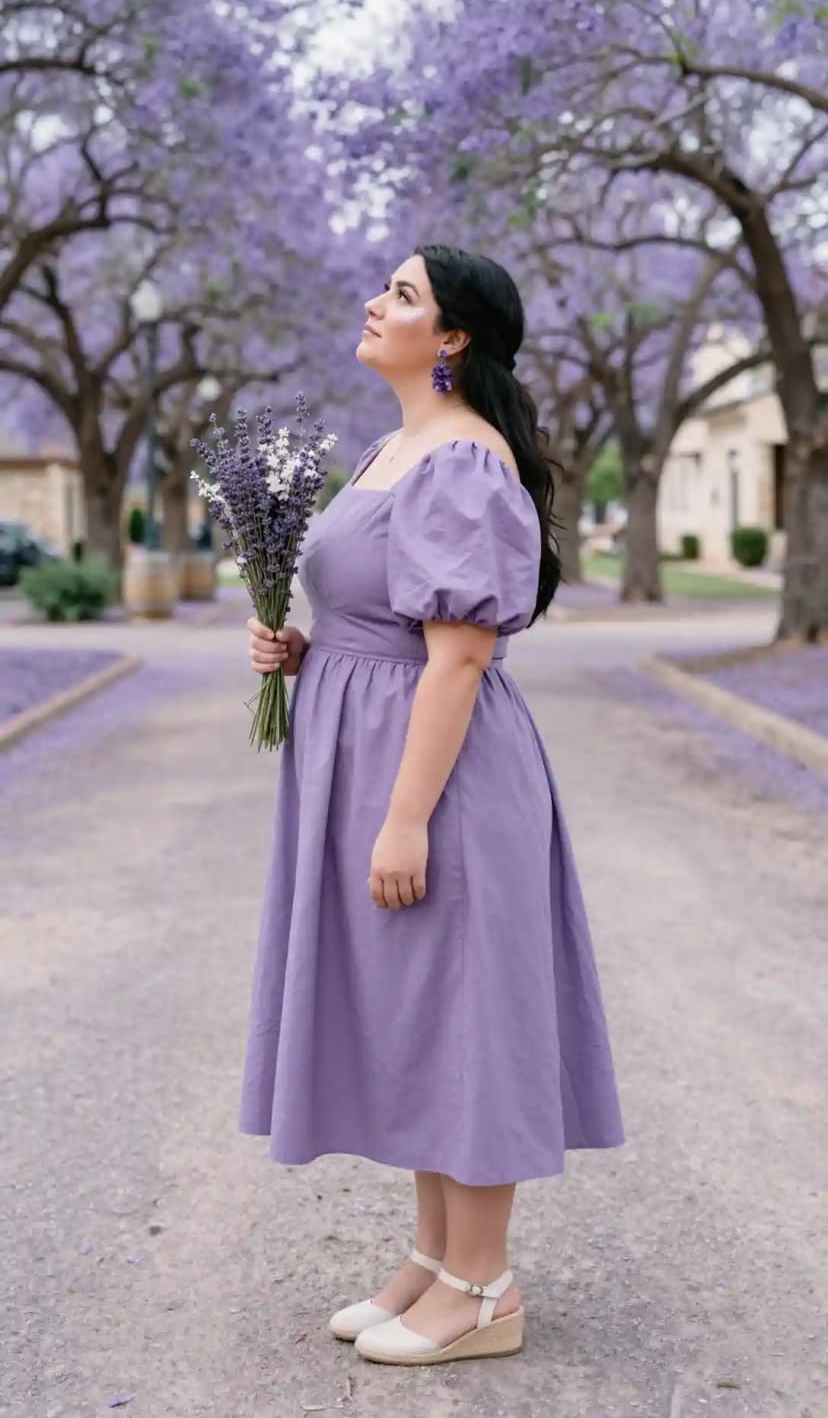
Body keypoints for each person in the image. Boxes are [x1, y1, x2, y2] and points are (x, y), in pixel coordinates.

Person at [238, 243, 625, 1366]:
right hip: (371, 751)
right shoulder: (391, 449)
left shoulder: (461, 460)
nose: (376, 302)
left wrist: (405, 817)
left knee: (465, 1015)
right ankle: (433, 1258)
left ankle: (485, 1286)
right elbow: (390, 622)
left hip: (439, 777)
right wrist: (307, 651)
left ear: (453, 336)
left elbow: (456, 656)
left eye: (403, 295)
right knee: (414, 1010)